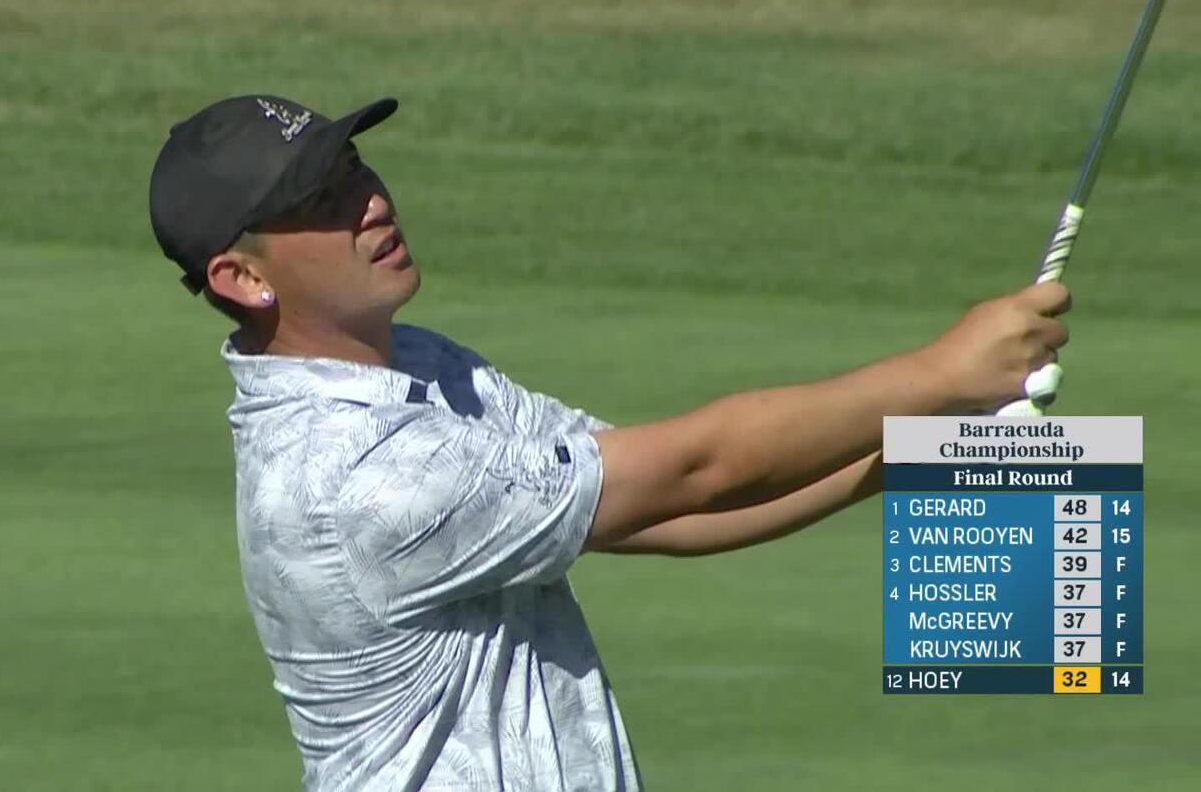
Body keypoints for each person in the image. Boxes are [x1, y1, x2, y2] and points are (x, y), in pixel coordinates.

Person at [147, 94, 1070, 791]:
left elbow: (661, 508)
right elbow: (695, 464)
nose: (371, 202)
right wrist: (941, 374)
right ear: (242, 276)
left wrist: (918, 452)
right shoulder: (353, 479)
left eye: (353, 167)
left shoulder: (421, 373)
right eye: (321, 198)